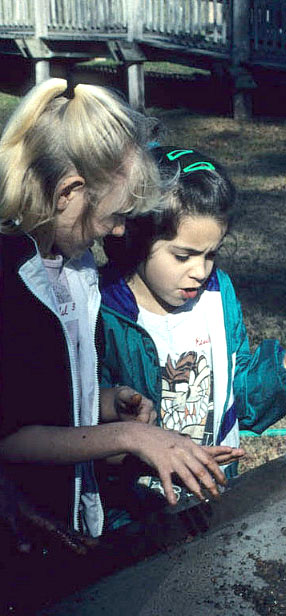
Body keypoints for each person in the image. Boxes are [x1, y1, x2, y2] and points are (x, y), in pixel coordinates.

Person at [0, 79, 239, 551]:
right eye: (117, 212)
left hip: (64, 519)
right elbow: (8, 437)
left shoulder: (76, 268)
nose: (122, 228)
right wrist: (131, 437)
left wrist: (106, 403)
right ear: (69, 191)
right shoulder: (11, 281)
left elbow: (41, 395)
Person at [98, 145, 286, 509]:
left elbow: (240, 400)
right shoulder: (103, 312)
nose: (200, 271)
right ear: (135, 238)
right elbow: (84, 429)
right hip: (133, 511)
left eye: (211, 254)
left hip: (212, 498)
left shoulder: (218, 294)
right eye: (182, 256)